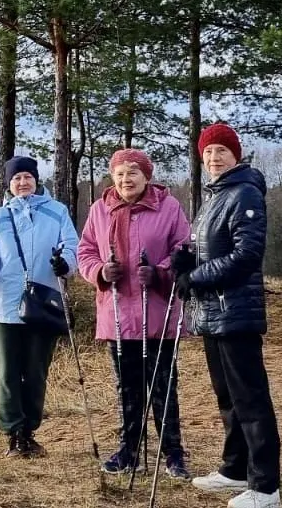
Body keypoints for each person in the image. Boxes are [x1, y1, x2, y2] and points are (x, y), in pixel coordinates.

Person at [178, 122, 282, 508]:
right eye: (207, 153)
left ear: (236, 154)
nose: (213, 158)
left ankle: (265, 486)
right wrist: (185, 258)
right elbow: (206, 246)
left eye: (221, 150)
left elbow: (246, 256)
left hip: (236, 312)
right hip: (213, 313)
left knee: (251, 399)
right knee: (228, 396)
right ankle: (235, 468)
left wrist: (197, 276)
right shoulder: (216, 195)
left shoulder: (244, 192)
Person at [76, 148, 193, 478]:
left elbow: (183, 249)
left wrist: (159, 271)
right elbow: (85, 250)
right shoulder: (100, 209)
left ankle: (173, 452)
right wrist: (99, 270)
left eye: (132, 172)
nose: (126, 179)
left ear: (146, 176)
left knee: (163, 385)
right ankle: (129, 449)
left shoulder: (169, 207)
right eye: (119, 173)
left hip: (157, 313)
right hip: (117, 313)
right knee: (127, 387)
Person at [0, 155, 80, 459]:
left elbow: (72, 246)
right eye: (16, 178)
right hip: (4, 304)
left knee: (36, 370)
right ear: (9, 183)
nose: (22, 182)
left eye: (27, 176)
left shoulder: (57, 212)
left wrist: (64, 263)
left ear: (36, 179)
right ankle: (14, 434)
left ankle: (29, 430)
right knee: (7, 372)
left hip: (42, 302)